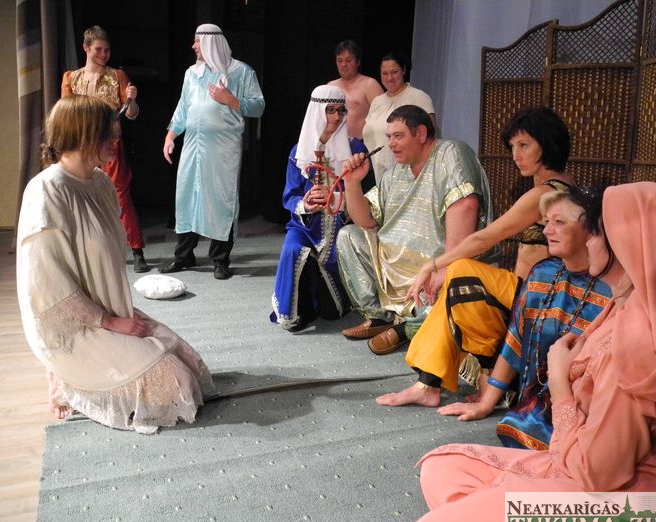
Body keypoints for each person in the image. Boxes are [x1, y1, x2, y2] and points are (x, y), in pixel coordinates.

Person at [399, 182, 656, 522]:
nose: (588, 240)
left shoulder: (638, 339)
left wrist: (560, 384)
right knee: (444, 467)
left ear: (626, 243)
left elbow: (598, 475)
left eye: (596, 231)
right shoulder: (628, 305)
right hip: (582, 467)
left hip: (628, 506)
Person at [16, 95, 215, 434]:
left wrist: (118, 316)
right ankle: (64, 378)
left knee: (190, 367)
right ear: (83, 135)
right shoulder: (46, 191)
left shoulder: (101, 182)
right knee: (176, 384)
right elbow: (47, 287)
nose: (116, 141)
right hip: (73, 327)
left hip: (111, 310)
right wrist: (109, 322)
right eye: (107, 135)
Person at [375, 190, 612, 448]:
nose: (547, 230)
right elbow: (516, 339)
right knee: (460, 273)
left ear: (591, 231)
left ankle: (434, 377)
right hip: (532, 399)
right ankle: (434, 381)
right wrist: (486, 404)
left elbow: (482, 240)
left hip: (587, 413)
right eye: (546, 222)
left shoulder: (612, 290)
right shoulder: (544, 273)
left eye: (559, 222)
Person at [402, 106, 576, 385]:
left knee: (460, 271)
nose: (516, 155)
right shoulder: (565, 184)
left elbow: (484, 238)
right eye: (512, 147)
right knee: (458, 281)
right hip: (530, 291)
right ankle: (431, 381)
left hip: (539, 295)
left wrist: (432, 266)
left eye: (524, 145)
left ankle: (440, 379)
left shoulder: (544, 193)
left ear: (546, 144)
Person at [336, 104, 494, 355]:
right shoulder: (395, 172)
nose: (391, 144)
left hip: (436, 266)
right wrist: (352, 183)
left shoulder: (451, 152)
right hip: (393, 266)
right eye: (389, 137)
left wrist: (444, 266)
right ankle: (380, 317)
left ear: (421, 133)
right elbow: (366, 221)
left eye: (398, 136)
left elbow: (466, 206)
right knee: (349, 236)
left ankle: (407, 328)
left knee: (456, 285)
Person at [160, 23, 265, 280]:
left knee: (221, 200)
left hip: (223, 148)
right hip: (192, 145)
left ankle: (220, 259)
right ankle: (184, 256)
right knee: (187, 197)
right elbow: (183, 107)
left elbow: (258, 106)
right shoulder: (191, 73)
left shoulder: (241, 72)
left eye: (197, 41)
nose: (193, 46)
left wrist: (231, 99)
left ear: (210, 42)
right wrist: (171, 135)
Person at [270, 85, 366, 331]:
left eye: (341, 110)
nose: (336, 116)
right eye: (330, 110)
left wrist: (334, 199)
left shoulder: (356, 151)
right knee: (293, 249)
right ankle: (296, 310)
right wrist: (306, 203)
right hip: (304, 226)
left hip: (341, 226)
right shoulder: (299, 152)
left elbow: (368, 197)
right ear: (317, 112)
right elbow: (289, 196)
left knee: (331, 312)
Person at [61, 25, 148, 273]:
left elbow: (131, 114)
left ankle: (137, 250)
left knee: (120, 196)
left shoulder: (117, 76)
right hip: (82, 145)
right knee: (80, 197)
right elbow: (66, 112)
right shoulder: (71, 78)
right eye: (98, 49)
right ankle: (86, 252)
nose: (104, 54)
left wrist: (132, 99)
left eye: (107, 50)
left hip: (110, 144)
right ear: (86, 48)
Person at [363, 52, 436, 183]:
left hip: (410, 175)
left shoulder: (418, 97)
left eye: (394, 72)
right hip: (378, 176)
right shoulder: (376, 102)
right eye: (384, 73)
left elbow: (431, 138)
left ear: (403, 70)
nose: (389, 78)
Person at [328, 40, 383, 140]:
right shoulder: (330, 87)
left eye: (348, 60)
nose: (344, 65)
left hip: (362, 144)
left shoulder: (370, 85)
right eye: (339, 61)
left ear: (358, 62)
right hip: (334, 143)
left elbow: (383, 118)